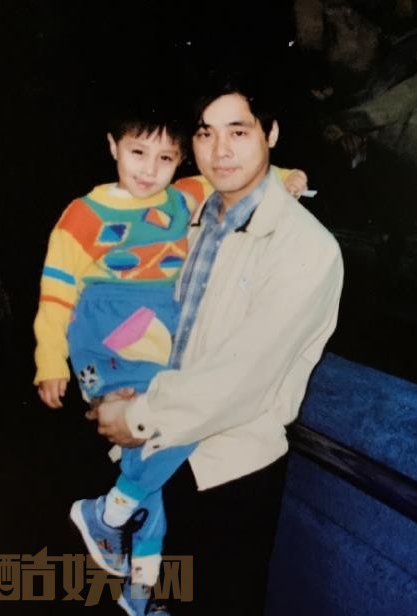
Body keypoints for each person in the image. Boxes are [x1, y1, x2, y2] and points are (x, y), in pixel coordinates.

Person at [32, 97, 310, 614]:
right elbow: (55, 294)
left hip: (159, 325)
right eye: (137, 152)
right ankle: (108, 513)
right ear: (113, 147)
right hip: (106, 329)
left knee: (152, 459)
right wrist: (49, 362)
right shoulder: (82, 215)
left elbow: (241, 177)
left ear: (180, 160)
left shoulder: (184, 197)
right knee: (167, 434)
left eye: (165, 158)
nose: (149, 169)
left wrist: (288, 176)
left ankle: (138, 589)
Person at [90, 75, 344, 614]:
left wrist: (136, 417)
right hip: (156, 453)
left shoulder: (306, 247)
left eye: (238, 131)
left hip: (226, 471)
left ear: (271, 134)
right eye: (205, 133)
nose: (220, 150)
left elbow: (243, 375)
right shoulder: (190, 215)